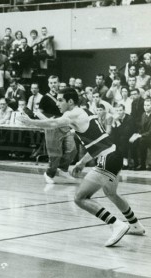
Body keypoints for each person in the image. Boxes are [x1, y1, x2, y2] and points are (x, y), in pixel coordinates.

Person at [18, 87, 145, 247]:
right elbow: (96, 142)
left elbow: (53, 123)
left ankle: (116, 224)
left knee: (79, 198)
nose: (57, 103)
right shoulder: (83, 111)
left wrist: (31, 122)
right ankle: (135, 225)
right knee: (111, 193)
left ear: (70, 101)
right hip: (114, 154)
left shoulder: (72, 114)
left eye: (60, 100)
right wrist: (82, 162)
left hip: (107, 158)